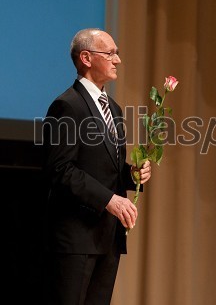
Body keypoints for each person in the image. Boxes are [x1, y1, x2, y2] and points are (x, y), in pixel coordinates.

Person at [42, 28, 152, 305]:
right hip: (77, 237)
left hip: (107, 236)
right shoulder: (66, 106)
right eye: (110, 53)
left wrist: (132, 175)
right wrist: (109, 200)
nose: (117, 60)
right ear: (87, 58)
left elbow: (105, 167)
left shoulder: (113, 108)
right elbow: (61, 170)